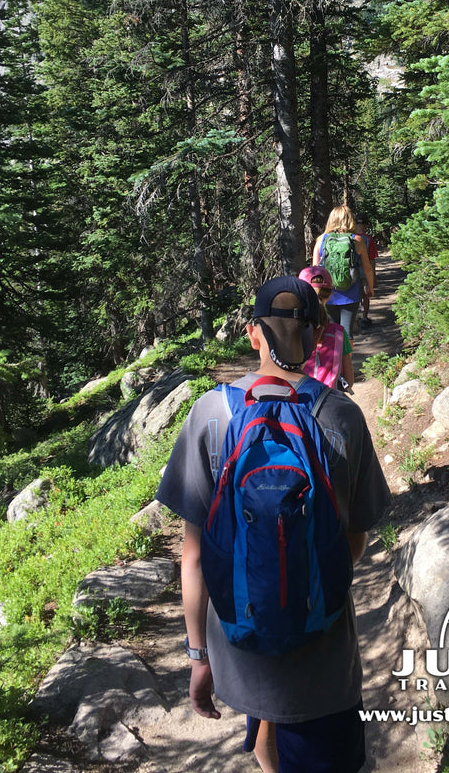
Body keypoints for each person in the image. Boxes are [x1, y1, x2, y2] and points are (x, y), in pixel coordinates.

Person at [156, 276, 390, 773]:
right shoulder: (342, 417)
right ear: (313, 339)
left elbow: (193, 556)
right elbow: (356, 538)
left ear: (252, 334)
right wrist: (305, 573)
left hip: (240, 641)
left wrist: (200, 656)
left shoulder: (210, 415)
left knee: (266, 733)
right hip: (321, 649)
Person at [312, 205, 374, 340]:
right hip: (350, 293)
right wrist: (370, 286)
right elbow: (367, 268)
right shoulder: (357, 240)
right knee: (347, 333)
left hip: (328, 294)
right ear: (350, 220)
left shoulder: (321, 240)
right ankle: (346, 360)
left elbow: (315, 269)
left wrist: (317, 295)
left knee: (332, 332)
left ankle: (335, 360)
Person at [298, 265, 354, 390]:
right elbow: (349, 381)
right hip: (330, 398)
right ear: (329, 295)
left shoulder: (295, 332)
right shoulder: (339, 333)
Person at [354, 213, 379, 329]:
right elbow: (372, 259)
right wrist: (373, 276)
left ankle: (354, 318)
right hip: (365, 272)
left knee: (354, 295)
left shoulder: (349, 238)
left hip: (351, 273)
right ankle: (364, 317)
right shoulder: (369, 240)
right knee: (365, 296)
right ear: (366, 226)